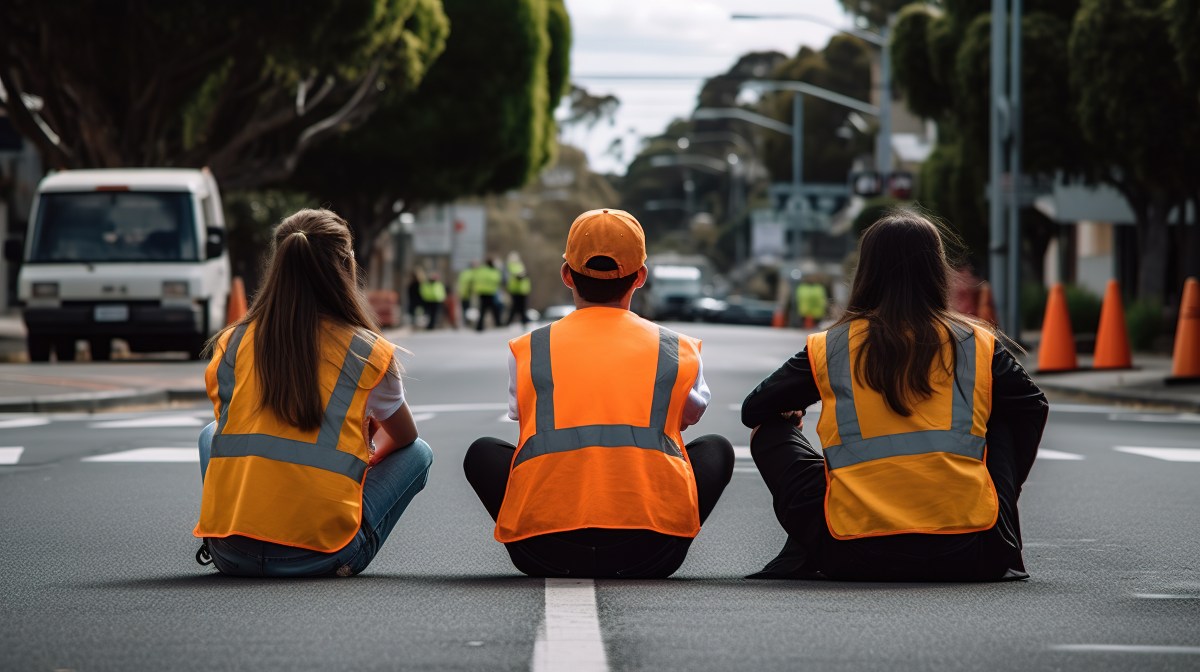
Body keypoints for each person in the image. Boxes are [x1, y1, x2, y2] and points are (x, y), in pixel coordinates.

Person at [741, 210, 1048, 582]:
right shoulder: (976, 344)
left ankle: (807, 547)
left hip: (852, 552)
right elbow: (1033, 407)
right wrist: (1002, 492)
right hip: (972, 552)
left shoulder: (832, 346)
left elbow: (754, 408)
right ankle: (991, 518)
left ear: (866, 271)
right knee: (1006, 411)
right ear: (936, 269)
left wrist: (796, 408)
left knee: (768, 429)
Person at [464, 208, 734, 579]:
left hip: (543, 551)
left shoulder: (531, 348)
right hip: (651, 552)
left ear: (565, 275)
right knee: (716, 447)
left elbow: (523, 419)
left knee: (483, 451)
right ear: (640, 277)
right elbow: (688, 417)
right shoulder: (677, 349)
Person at [193, 209, 433, 577]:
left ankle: (227, 531)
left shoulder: (233, 341)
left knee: (212, 434)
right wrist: (365, 456)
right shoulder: (366, 350)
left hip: (231, 554)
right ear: (347, 267)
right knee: (419, 453)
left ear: (278, 265)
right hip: (317, 556)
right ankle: (348, 552)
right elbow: (404, 437)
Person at [505, 251, 532, 328]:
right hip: (516, 289)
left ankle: (521, 321)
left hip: (522, 289)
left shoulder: (519, 265)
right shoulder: (512, 266)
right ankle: (523, 322)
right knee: (518, 307)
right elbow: (517, 275)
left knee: (519, 307)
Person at [456, 261, 479, 329]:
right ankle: (471, 323)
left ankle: (467, 323)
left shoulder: (464, 273)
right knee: (471, 309)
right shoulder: (473, 273)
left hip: (464, 294)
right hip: (471, 294)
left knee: (466, 310)